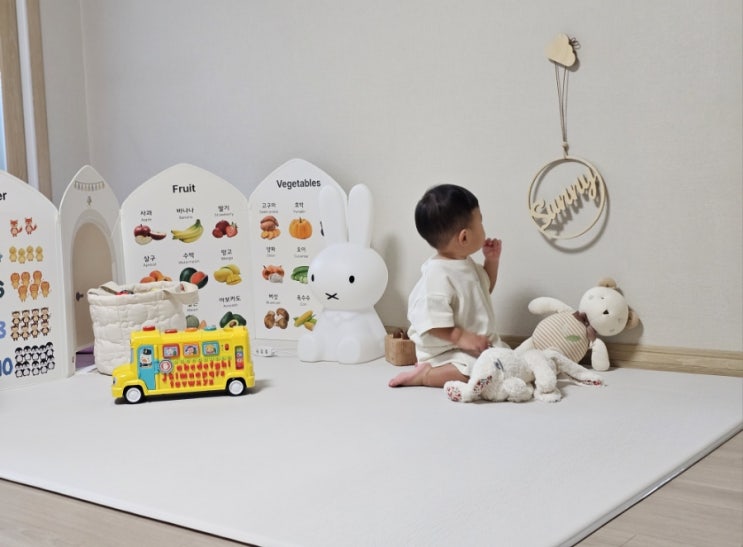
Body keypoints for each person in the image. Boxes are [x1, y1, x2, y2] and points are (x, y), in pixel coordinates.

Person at [389, 184, 508, 388]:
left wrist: (492, 261)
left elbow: (484, 289)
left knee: (505, 361)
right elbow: (433, 323)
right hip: (446, 353)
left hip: (472, 347)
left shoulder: (465, 264)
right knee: (477, 372)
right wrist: (461, 338)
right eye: (480, 221)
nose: (483, 227)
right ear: (464, 237)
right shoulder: (437, 276)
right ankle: (425, 375)